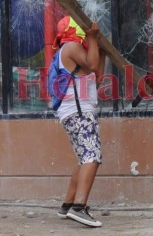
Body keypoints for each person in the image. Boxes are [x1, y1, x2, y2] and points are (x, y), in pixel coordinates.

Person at [51, 15, 106, 228]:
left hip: (75, 111)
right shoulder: (71, 46)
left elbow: (96, 72)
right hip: (79, 112)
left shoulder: (70, 52)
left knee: (84, 159)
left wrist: (98, 46)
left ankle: (68, 205)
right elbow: (93, 64)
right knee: (92, 156)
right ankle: (79, 208)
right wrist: (92, 37)